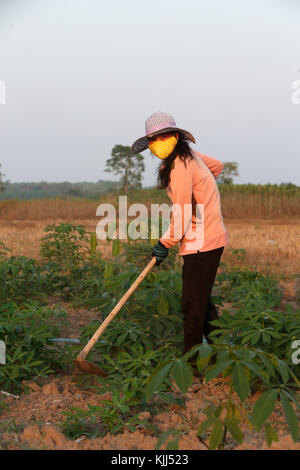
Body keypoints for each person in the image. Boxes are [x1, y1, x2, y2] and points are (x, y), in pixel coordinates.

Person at [131, 111, 229, 364]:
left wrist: (164, 243)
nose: (158, 143)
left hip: (202, 243)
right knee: (202, 303)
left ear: (175, 136)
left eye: (163, 137)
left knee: (192, 307)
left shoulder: (181, 167)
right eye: (153, 139)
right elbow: (216, 165)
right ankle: (223, 357)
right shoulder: (189, 157)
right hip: (208, 239)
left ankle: (190, 366)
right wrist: (203, 190)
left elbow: (183, 214)